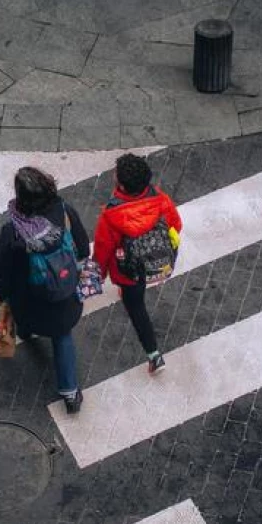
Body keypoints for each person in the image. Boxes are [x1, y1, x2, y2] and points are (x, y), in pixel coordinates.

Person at [0, 167, 90, 413]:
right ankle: (70, 393)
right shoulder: (65, 213)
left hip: (29, 302)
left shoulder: (12, 232)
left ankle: (25, 332)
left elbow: (4, 272)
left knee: (26, 320)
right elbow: (83, 250)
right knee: (62, 338)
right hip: (64, 298)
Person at [93, 153, 182, 373]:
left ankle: (154, 353)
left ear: (121, 184)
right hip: (155, 262)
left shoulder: (111, 215)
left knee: (135, 307)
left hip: (127, 273)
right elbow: (176, 225)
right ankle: (153, 358)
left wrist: (98, 275)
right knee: (137, 302)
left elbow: (103, 251)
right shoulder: (160, 199)